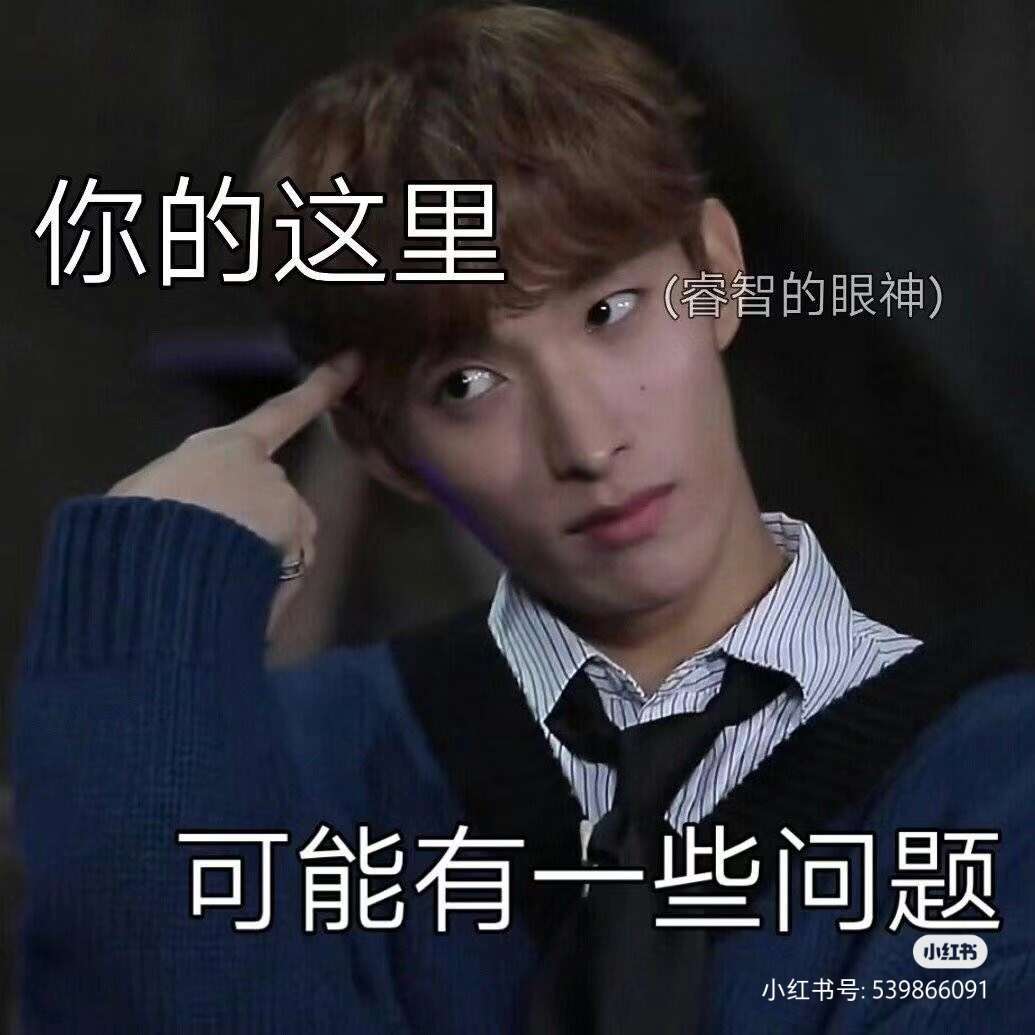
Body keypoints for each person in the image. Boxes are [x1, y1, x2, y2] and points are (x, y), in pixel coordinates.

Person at [13, 3, 1034, 1033]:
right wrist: (141, 622)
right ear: (382, 448)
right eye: (466, 384)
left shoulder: (995, 770)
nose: (585, 442)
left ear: (718, 275)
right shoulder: (300, 770)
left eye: (609, 313)